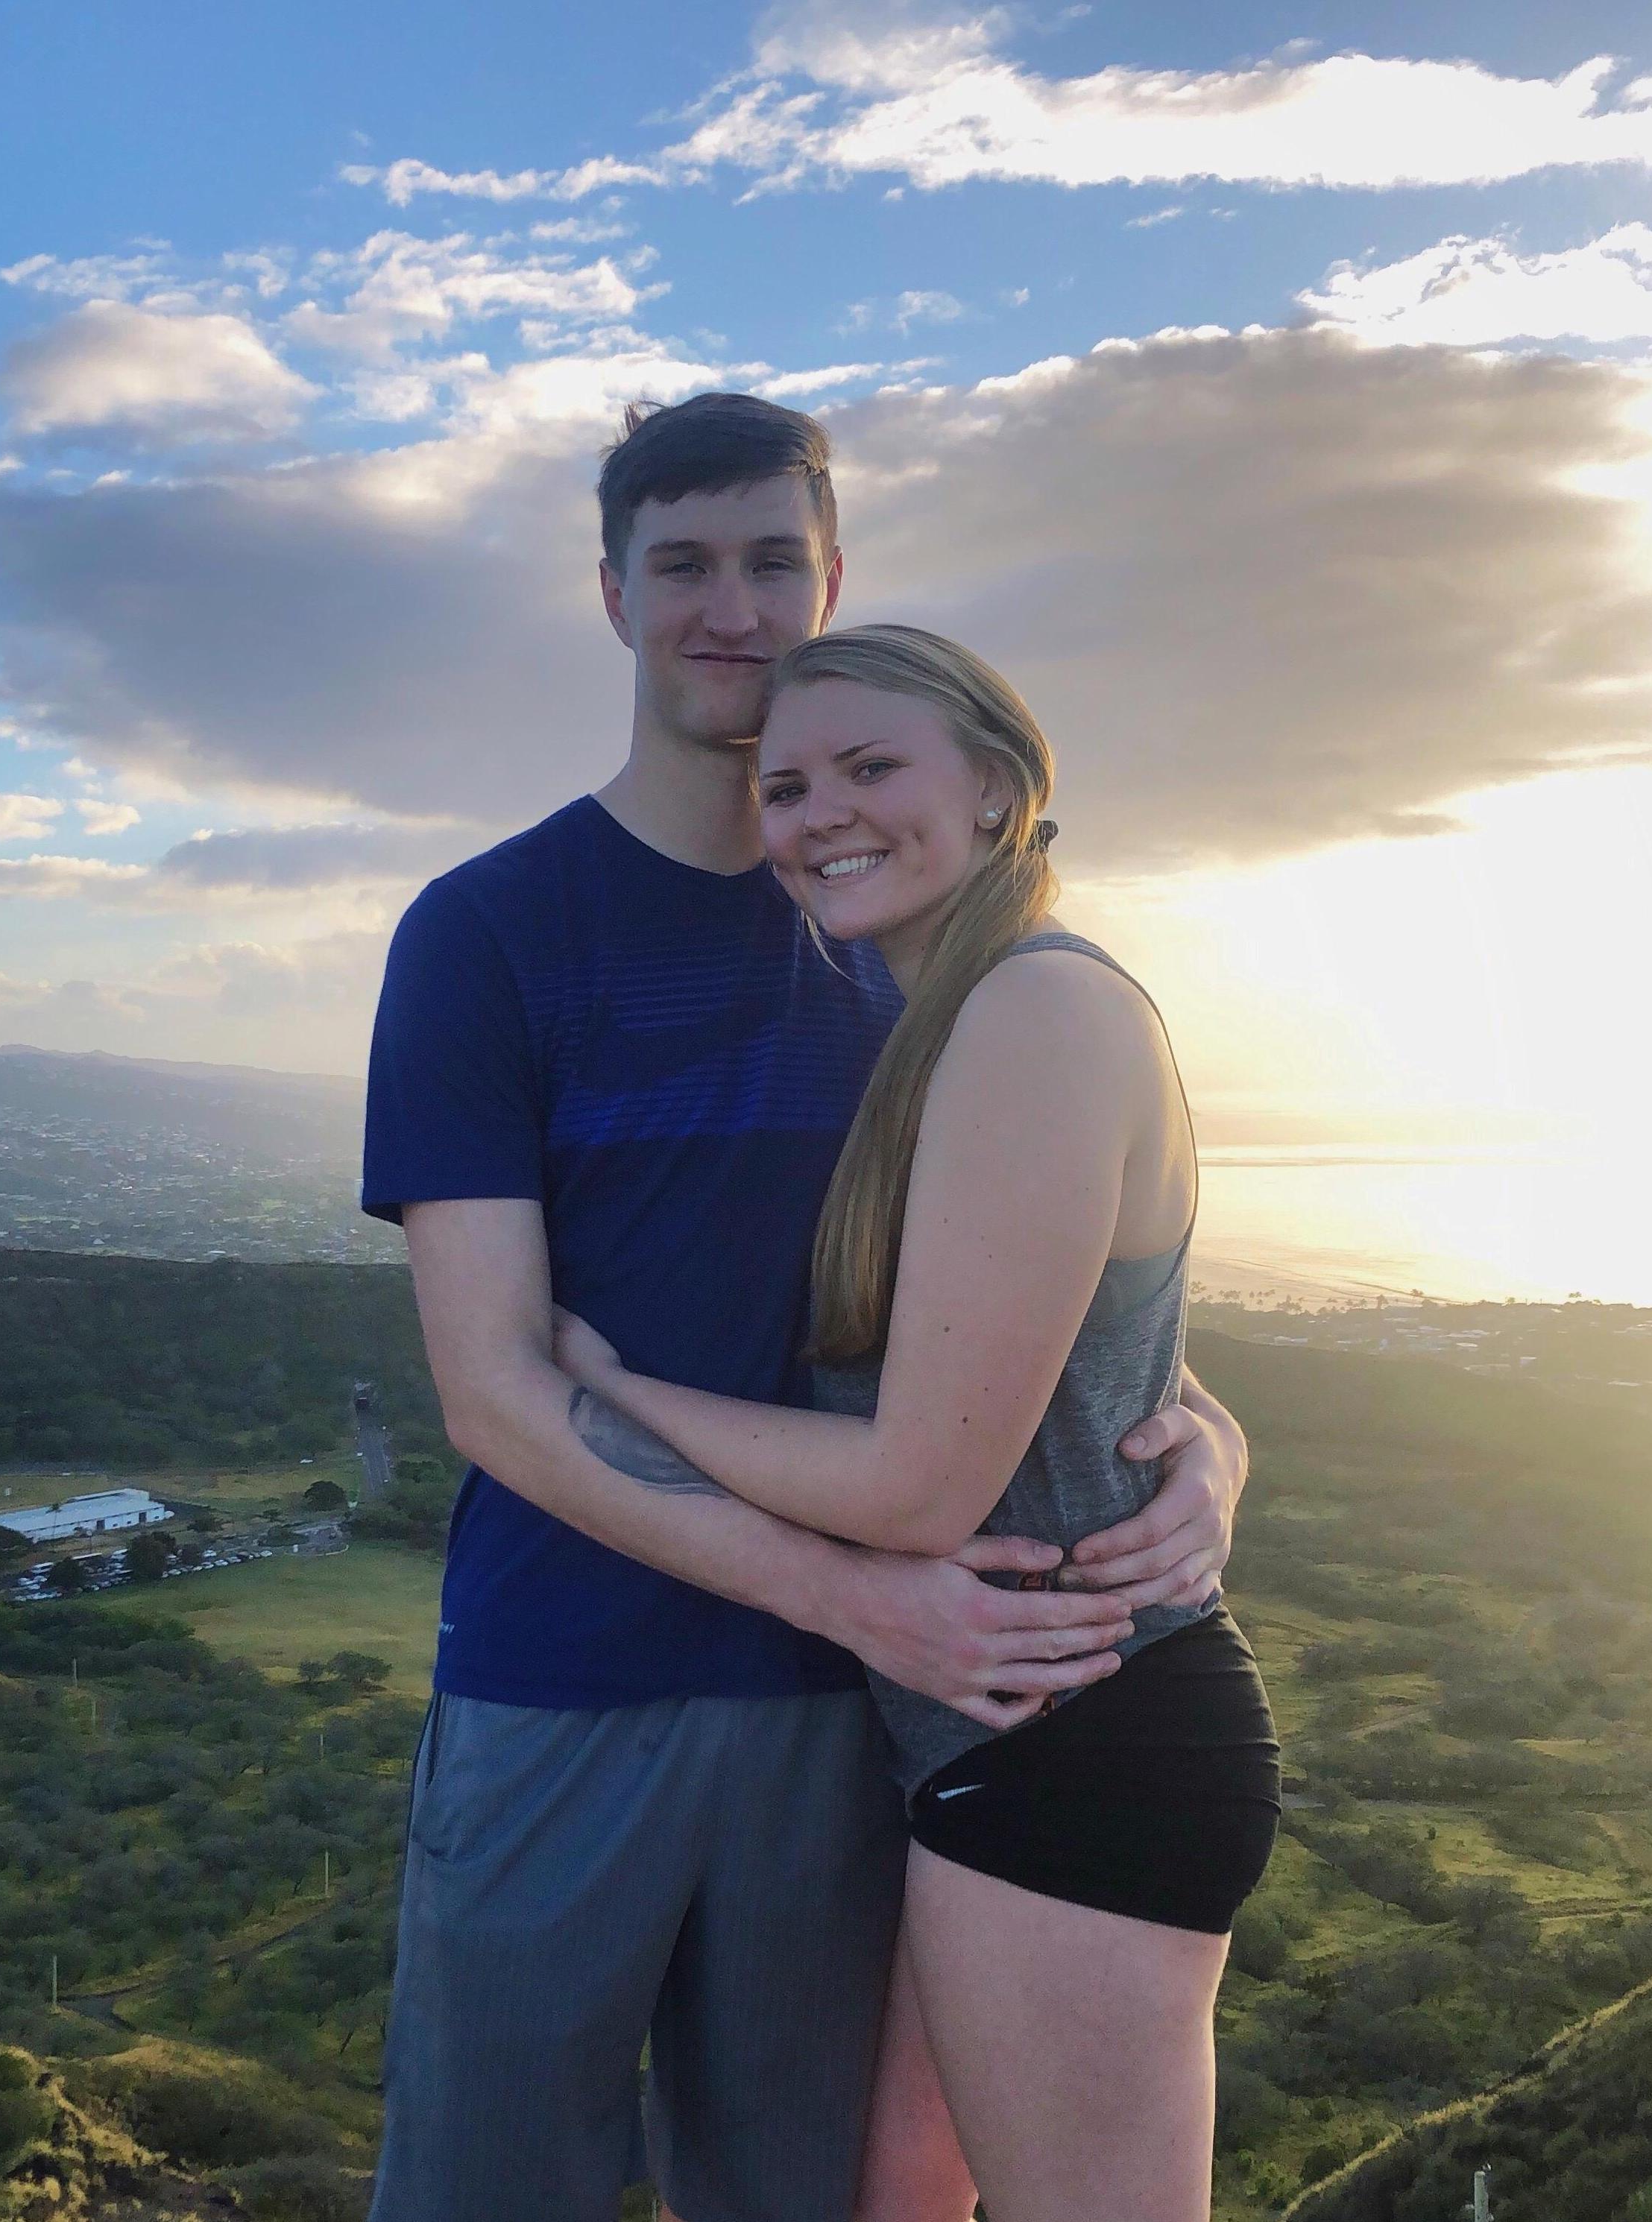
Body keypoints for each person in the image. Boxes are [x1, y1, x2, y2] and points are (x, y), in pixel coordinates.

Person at [360, 393, 1249, 2222]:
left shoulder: (911, 958)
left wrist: (1213, 1447)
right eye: (680, 564)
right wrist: (857, 1593)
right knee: (486, 2188)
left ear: (831, 579)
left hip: (855, 1723)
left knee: (804, 2197)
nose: (730, 607)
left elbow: (1050, 1325)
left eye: (773, 560)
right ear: (611, 594)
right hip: (574, 1683)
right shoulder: (488, 931)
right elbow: (494, 1394)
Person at [552, 622, 1281, 2222]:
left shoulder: (1030, 1013)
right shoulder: (959, 1017)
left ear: (1003, 791)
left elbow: (919, 1486)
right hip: (1017, 1739)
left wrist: (607, 1388)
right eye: (793, 782)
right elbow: (1103, 1345)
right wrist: (1220, 1439)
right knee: (893, 2199)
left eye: (874, 769)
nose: (822, 814)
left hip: (1078, 1742)